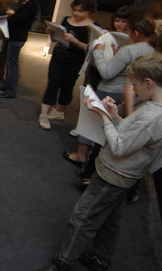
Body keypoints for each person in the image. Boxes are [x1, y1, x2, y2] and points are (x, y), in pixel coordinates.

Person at [31, 52, 162, 271]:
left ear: (149, 82)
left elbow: (119, 147)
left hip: (114, 174)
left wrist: (104, 117)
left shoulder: (152, 116)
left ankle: (62, 265)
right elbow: (131, 135)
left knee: (81, 218)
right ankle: (101, 258)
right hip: (123, 175)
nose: (134, 90)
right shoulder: (161, 108)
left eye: (135, 85)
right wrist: (116, 116)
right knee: (110, 219)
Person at [64, 14, 156, 181]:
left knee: (98, 130)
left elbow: (107, 73)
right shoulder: (154, 50)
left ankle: (86, 168)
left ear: (135, 33)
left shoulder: (129, 50)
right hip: (137, 97)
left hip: (111, 91)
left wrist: (99, 52)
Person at [38, 0, 97, 130]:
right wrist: (52, 33)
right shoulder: (66, 20)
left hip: (75, 60)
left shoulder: (93, 27)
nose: (76, 13)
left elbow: (90, 49)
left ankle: (59, 111)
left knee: (67, 85)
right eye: (74, 10)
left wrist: (74, 40)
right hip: (58, 56)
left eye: (80, 11)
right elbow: (56, 39)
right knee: (52, 83)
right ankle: (44, 113)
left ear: (89, 11)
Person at [0, 0, 39, 99]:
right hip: (14, 35)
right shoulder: (27, 2)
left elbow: (21, 20)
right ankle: (8, 85)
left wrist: (12, 14)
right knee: (10, 62)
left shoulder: (32, 3)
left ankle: (10, 91)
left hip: (18, 37)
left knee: (12, 64)